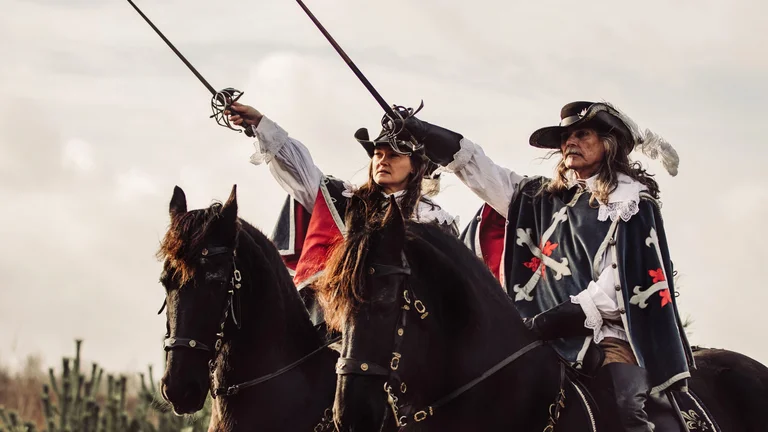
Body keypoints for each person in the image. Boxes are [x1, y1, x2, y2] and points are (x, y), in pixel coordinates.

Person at [394, 101, 694, 431]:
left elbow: (617, 287)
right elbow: (480, 169)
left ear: (610, 143)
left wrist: (551, 321)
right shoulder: (543, 196)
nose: (570, 143)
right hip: (538, 332)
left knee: (623, 405)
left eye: (582, 134)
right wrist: (423, 131)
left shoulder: (631, 200)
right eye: (565, 137)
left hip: (608, 335)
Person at [225, 102, 459, 325]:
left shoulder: (433, 219)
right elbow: (302, 172)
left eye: (394, 155)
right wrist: (260, 124)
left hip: (401, 327)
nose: (382, 161)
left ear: (415, 166)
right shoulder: (346, 201)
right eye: (378, 154)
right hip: (334, 322)